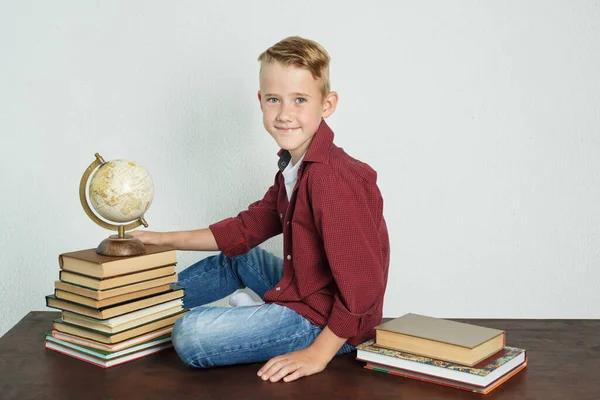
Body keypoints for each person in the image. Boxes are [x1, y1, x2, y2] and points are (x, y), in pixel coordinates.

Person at [130, 36, 390, 383]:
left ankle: (243, 322)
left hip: (328, 324)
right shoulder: (295, 167)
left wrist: (318, 353)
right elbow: (245, 229)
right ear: (260, 101)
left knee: (190, 334)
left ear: (327, 104)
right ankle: (137, 314)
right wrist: (160, 239)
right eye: (274, 100)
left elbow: (363, 287)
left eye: (300, 100)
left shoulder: (331, 178)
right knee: (241, 257)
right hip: (305, 291)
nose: (284, 114)